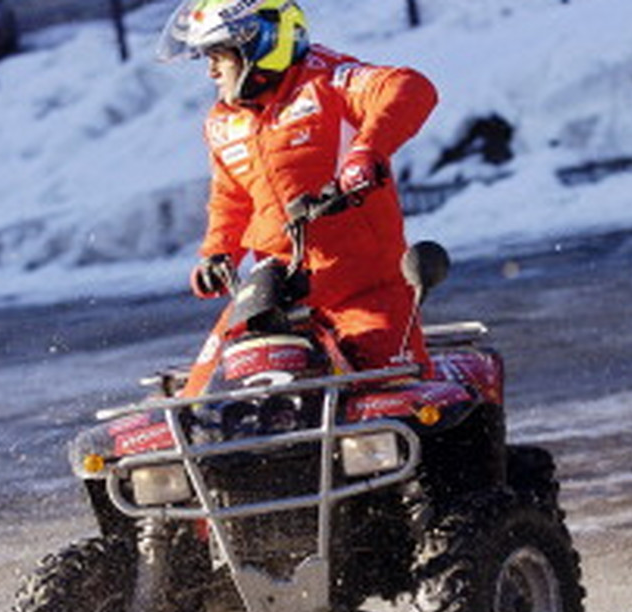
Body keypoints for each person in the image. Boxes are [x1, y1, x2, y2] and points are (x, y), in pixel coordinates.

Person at [158, 0, 439, 396]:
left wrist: (366, 153)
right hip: (275, 288)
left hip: (364, 284)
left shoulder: (328, 80)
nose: (211, 71)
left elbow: (410, 87)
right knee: (201, 401)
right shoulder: (223, 121)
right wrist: (218, 253)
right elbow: (232, 196)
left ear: (261, 45)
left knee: (399, 397)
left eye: (219, 56)